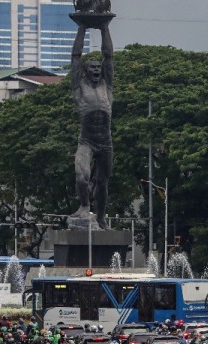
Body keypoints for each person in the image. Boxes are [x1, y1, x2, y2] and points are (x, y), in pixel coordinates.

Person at [69, 20, 114, 230]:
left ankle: (102, 217)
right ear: (85, 71)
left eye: (98, 67)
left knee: (102, 183)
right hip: (87, 141)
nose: (96, 69)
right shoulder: (79, 88)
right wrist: (81, 27)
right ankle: (84, 207)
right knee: (81, 176)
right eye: (92, 67)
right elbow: (75, 57)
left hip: (105, 142)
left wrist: (105, 28)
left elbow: (109, 56)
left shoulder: (107, 85)